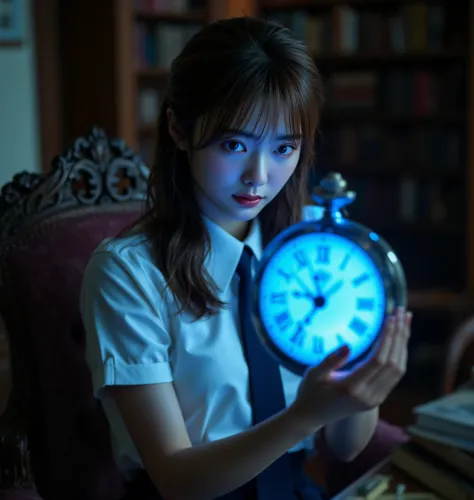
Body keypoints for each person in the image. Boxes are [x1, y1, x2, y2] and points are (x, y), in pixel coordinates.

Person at [80, 16, 412, 500]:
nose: (259, 175)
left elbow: (345, 447)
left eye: (284, 147)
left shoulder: (311, 259)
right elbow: (176, 479)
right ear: (178, 128)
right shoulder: (129, 273)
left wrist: (362, 378)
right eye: (234, 144)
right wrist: (305, 415)